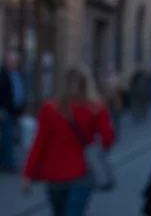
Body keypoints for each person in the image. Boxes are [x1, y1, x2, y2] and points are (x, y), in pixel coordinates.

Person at [21, 65, 115, 216]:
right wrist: (96, 148)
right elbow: (108, 138)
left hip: (54, 175)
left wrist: (27, 175)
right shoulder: (96, 108)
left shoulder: (50, 108)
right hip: (82, 172)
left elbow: (39, 144)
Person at [0, 50, 25, 173]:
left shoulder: (16, 74)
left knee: (10, 137)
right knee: (7, 137)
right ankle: (8, 163)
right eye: (11, 61)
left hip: (14, 111)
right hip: (5, 111)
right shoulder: (3, 74)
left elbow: (18, 92)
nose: (13, 64)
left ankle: (6, 161)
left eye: (15, 61)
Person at [103, 64, 124, 137]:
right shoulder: (106, 80)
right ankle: (112, 132)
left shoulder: (118, 78)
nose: (111, 70)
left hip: (116, 101)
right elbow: (105, 90)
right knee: (110, 117)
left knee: (116, 117)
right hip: (109, 101)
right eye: (109, 69)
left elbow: (121, 89)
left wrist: (115, 90)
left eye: (112, 68)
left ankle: (116, 132)